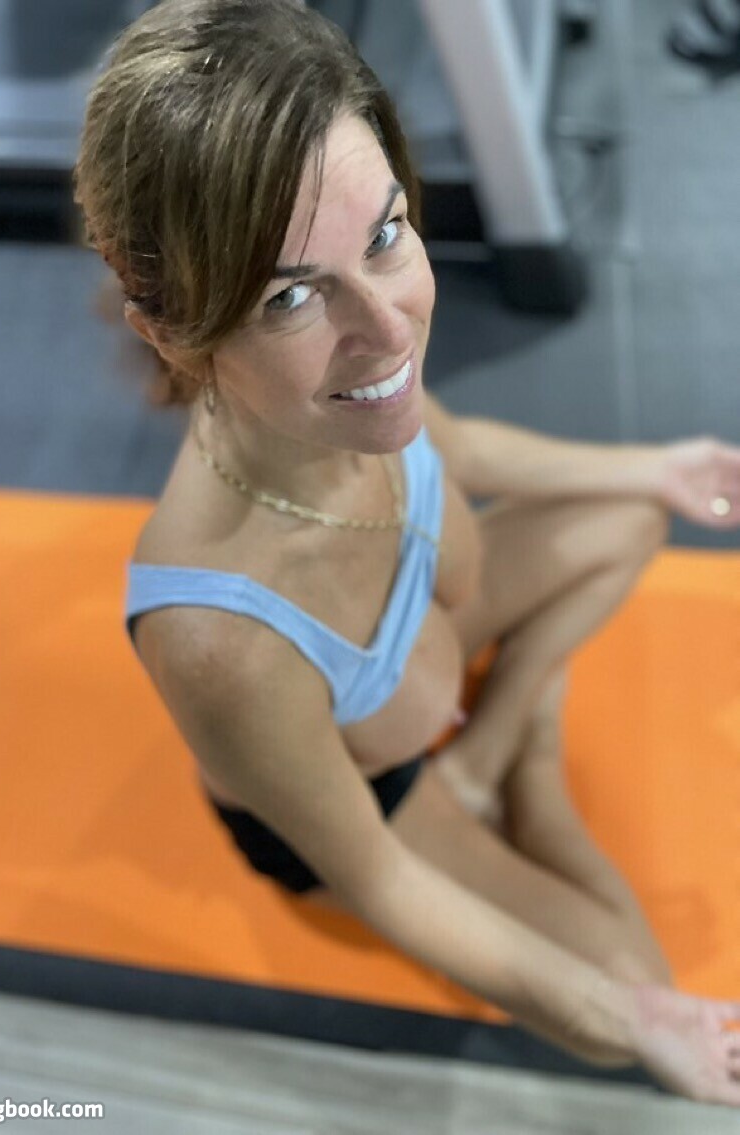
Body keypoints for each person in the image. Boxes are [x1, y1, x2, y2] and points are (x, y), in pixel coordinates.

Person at [74, 0, 740, 1103]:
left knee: (629, 515)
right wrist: (630, 1021)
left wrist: (655, 467)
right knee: (632, 984)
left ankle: (501, 743)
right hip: (374, 792)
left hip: (430, 635)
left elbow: (457, 443)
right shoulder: (217, 637)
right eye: (291, 295)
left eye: (384, 234)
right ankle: (524, 763)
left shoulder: (352, 385)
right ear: (171, 328)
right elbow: (380, 877)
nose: (390, 331)